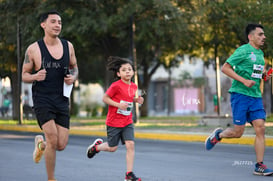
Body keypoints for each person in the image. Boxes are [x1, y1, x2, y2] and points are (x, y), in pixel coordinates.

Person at [205, 23, 273, 176]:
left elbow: (257, 72)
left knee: (261, 127)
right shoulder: (243, 50)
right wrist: (244, 81)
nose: (264, 37)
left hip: (255, 96)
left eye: (264, 34)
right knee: (238, 132)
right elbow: (225, 68)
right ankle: (218, 135)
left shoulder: (261, 54)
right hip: (240, 95)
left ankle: (259, 166)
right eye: (260, 34)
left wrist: (265, 76)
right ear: (250, 36)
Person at [21, 10, 78, 181]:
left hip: (61, 99)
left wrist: (73, 77)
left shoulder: (69, 46)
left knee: (60, 144)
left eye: (59, 22)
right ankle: (51, 178)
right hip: (42, 99)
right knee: (53, 139)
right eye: (53, 22)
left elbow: (75, 67)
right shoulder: (33, 49)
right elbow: (24, 74)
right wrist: (35, 76)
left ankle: (41, 143)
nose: (57, 25)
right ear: (43, 25)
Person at [86, 56, 144, 181]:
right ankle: (96, 147)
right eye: (124, 70)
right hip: (114, 122)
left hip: (127, 121)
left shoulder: (133, 86)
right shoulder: (116, 85)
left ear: (133, 72)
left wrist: (136, 100)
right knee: (112, 148)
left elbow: (128, 99)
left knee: (130, 145)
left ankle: (129, 174)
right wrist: (118, 105)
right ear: (118, 73)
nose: (128, 71)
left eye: (130, 69)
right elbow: (105, 98)